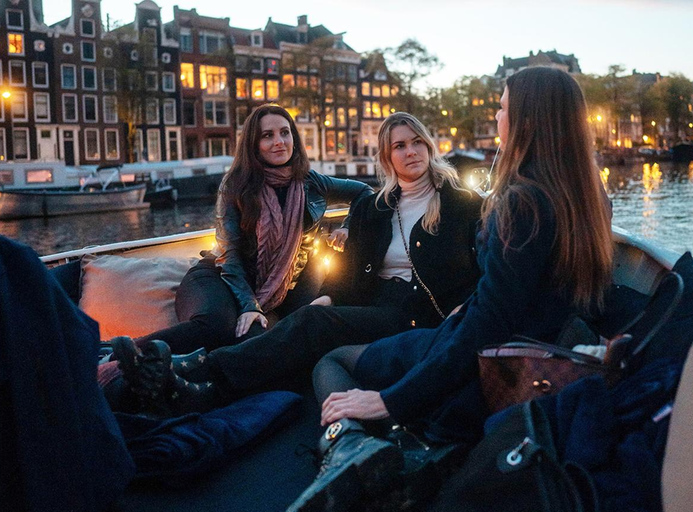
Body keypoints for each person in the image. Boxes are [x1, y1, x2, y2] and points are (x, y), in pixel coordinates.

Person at [288, 67, 616, 511]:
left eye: (502, 108)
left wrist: (390, 402)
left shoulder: (522, 202)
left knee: (332, 360)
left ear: (526, 120)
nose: (496, 116)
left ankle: (348, 448)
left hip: (487, 358)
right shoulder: (590, 195)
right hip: (537, 349)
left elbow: (488, 324)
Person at [110, 112, 484, 417]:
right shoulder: (376, 208)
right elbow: (350, 272)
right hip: (362, 301)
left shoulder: (464, 204)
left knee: (308, 322)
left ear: (430, 147)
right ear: (387, 158)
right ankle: (179, 377)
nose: (410, 152)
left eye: (417, 142)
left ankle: (194, 376)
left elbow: (483, 269)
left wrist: (464, 307)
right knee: (297, 318)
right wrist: (326, 297)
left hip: (422, 314)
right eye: (399, 146)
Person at [110, 104, 372, 357]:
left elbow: (363, 192)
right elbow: (229, 253)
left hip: (280, 286)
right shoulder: (236, 184)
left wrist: (348, 228)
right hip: (222, 276)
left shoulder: (312, 183)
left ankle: (189, 372)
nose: (279, 141)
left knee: (267, 339)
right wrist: (249, 305)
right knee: (218, 326)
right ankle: (121, 354)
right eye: (267, 136)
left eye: (284, 132)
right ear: (253, 144)